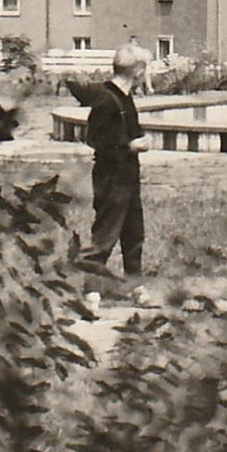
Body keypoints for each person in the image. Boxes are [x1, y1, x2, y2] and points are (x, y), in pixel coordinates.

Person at [82, 43, 153, 277]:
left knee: (134, 234)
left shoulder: (125, 97)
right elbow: (94, 138)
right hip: (111, 177)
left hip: (128, 175)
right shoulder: (106, 100)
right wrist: (130, 145)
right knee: (105, 234)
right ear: (138, 72)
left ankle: (135, 286)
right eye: (147, 70)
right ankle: (90, 294)